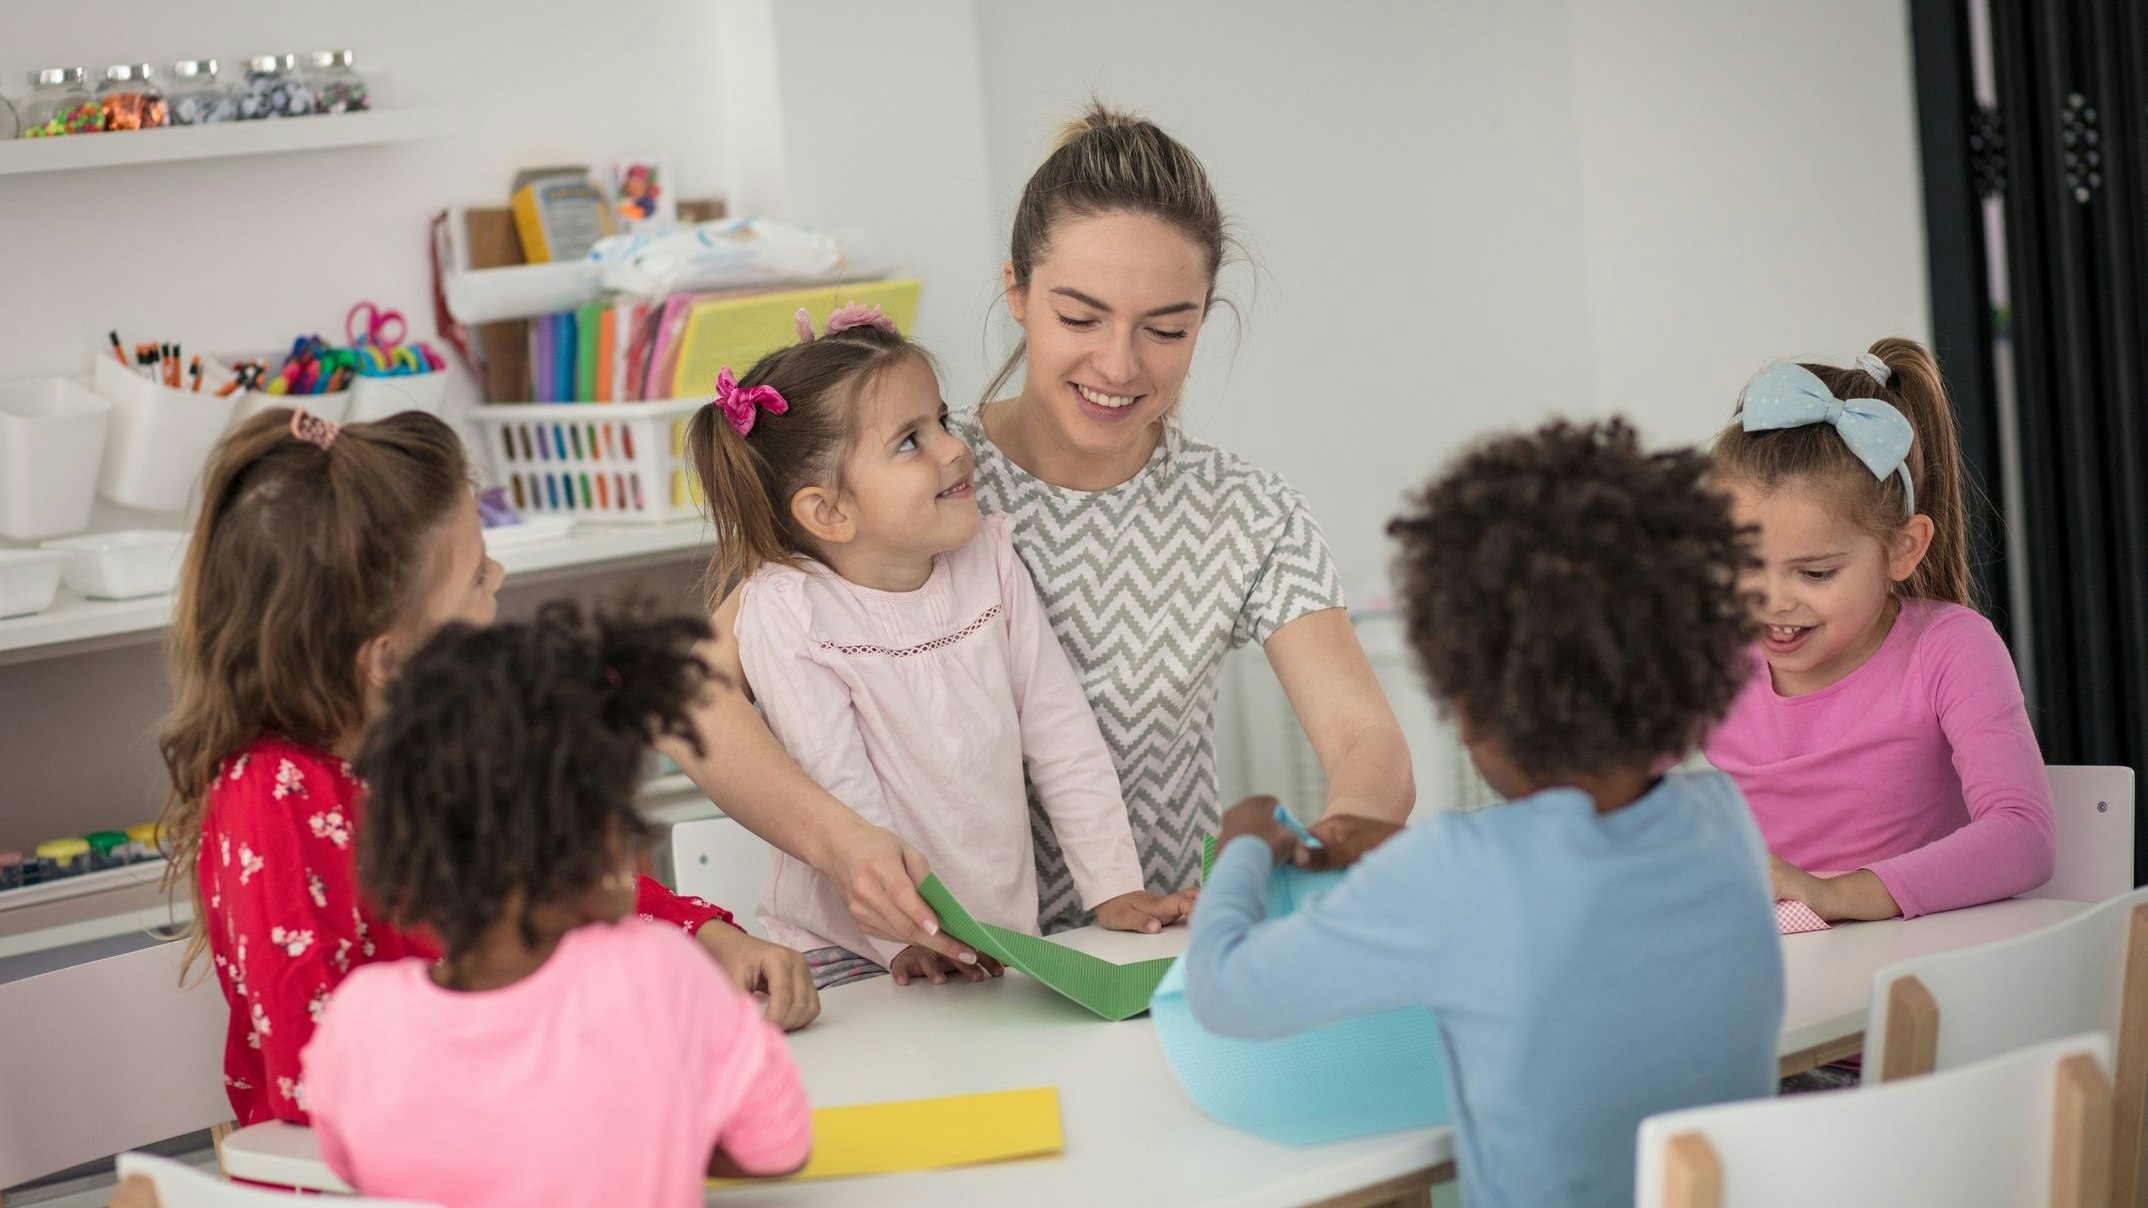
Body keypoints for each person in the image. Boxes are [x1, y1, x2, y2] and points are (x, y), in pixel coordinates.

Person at [1184, 419, 1783, 1208]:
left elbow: (1222, 991)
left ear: (1466, 704)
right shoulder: (1723, 818)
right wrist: (1404, 850)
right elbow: (1559, 887)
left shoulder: (1454, 875)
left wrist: (1243, 845)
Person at [303, 604, 811, 1207]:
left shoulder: (360, 1020)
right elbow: (779, 1146)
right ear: (604, 838)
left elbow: (353, 1163)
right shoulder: (656, 971)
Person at [1704, 339, 2056, 920]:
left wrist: (1834, 895)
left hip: (1921, 967)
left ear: (1902, 548)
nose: (1771, 600)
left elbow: (2023, 838)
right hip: (1775, 969)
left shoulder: (1950, 648)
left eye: (1816, 572)